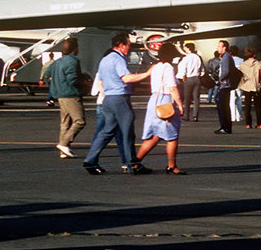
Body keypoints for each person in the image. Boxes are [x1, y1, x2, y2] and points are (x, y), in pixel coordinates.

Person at [83, 32, 151, 174]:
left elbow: (100, 81)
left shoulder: (105, 60)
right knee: (127, 133)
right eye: (128, 45)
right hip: (120, 98)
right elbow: (126, 78)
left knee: (106, 132)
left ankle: (90, 159)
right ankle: (132, 164)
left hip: (108, 99)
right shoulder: (118, 59)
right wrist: (147, 73)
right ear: (121, 46)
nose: (129, 48)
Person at [133, 42, 186, 174]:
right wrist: (180, 104)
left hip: (154, 101)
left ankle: (134, 162)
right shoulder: (168, 68)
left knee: (155, 136)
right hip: (165, 101)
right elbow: (172, 88)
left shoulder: (155, 67)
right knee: (172, 135)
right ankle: (172, 165)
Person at [43, 36, 89, 157]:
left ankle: (64, 149)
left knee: (65, 122)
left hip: (59, 94)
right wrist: (84, 83)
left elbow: (46, 75)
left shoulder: (56, 62)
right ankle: (64, 143)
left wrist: (54, 85)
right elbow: (72, 79)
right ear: (74, 49)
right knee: (80, 121)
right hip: (71, 94)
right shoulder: (72, 61)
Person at [209, 40, 238, 134]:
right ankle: (226, 127)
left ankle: (224, 127)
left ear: (224, 47)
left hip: (225, 84)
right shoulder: (226, 57)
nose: (217, 48)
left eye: (219, 46)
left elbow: (225, 71)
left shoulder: (226, 57)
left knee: (222, 106)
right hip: (226, 84)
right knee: (224, 106)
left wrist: (219, 79)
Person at [237, 47, 261, 129]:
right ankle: (260, 123)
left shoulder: (243, 65)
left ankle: (248, 124)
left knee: (247, 106)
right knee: (258, 106)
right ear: (254, 55)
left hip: (247, 86)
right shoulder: (258, 63)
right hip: (256, 86)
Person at [176, 43, 204, 122]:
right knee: (196, 98)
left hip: (189, 78)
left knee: (187, 98)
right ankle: (195, 116)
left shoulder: (186, 58)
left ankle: (186, 115)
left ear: (188, 48)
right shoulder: (198, 58)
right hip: (197, 78)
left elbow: (183, 69)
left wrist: (183, 77)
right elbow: (202, 70)